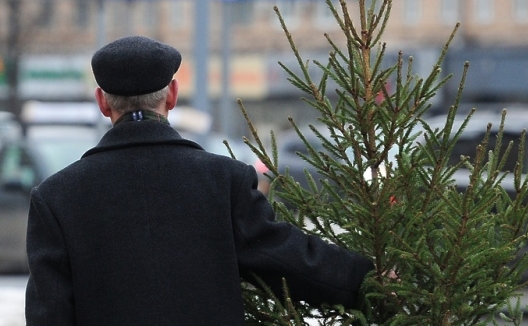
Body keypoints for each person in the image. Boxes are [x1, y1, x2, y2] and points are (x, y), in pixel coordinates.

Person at [25, 36, 374, 325]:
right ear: (172, 95)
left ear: (102, 102)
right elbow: (290, 259)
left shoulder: (56, 198)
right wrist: (368, 278)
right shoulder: (224, 181)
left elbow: (49, 314)